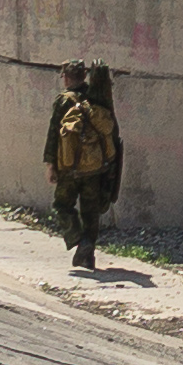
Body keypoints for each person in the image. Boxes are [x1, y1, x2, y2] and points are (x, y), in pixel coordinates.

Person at [42, 62, 124, 272]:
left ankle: (79, 240)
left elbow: (53, 135)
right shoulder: (97, 98)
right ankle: (88, 255)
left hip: (69, 168)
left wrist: (50, 164)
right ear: (83, 76)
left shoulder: (64, 101)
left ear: (67, 78)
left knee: (62, 205)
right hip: (95, 168)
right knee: (91, 212)